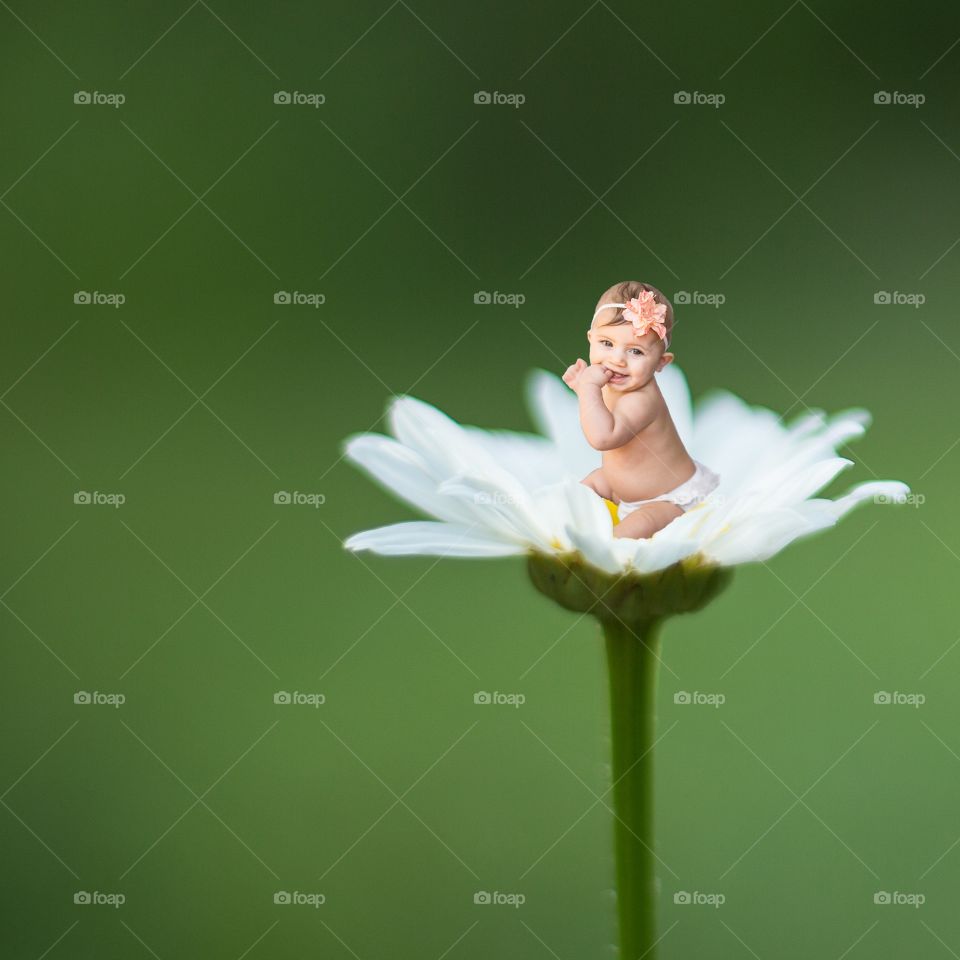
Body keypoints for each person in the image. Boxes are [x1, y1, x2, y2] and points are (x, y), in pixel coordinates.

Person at [563, 281, 720, 539]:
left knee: (633, 530)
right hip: (617, 485)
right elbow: (598, 412)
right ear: (590, 339)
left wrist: (587, 389)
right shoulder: (613, 383)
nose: (617, 359)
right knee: (581, 491)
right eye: (606, 343)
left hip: (665, 499)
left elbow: (602, 437)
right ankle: (567, 531)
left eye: (635, 351)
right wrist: (585, 388)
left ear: (661, 362)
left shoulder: (642, 400)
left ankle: (605, 554)